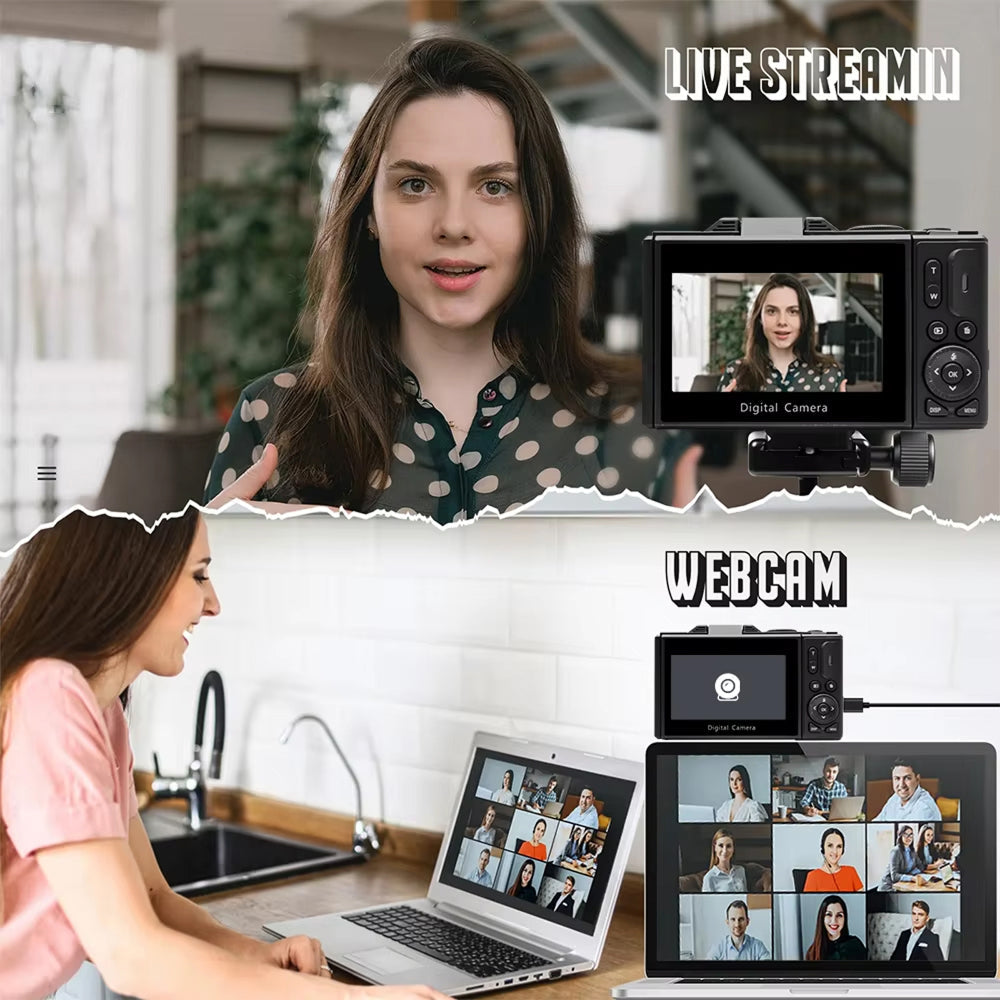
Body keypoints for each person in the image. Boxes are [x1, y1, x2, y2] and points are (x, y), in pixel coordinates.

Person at [204, 36, 701, 524]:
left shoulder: (632, 423)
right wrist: (216, 554)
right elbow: (198, 580)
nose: (454, 225)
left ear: (539, 215)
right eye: (416, 185)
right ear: (369, 212)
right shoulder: (271, 417)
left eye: (495, 187)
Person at [0, 509, 447, 1000]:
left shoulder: (102, 714)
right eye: (199, 575)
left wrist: (255, 956)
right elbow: (130, 955)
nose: (213, 604)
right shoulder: (49, 696)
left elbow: (152, 899)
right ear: (132, 573)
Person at [717, 273, 847, 393]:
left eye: (793, 311)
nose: (782, 322)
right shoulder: (735, 372)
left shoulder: (828, 373)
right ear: (759, 318)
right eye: (772, 311)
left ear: (804, 318)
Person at [873, 759, 942, 822]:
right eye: (897, 778)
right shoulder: (895, 798)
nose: (901, 785)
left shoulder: (924, 809)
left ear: (917, 779)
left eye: (907, 778)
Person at [804, 895, 867, 961]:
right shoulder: (812, 952)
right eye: (829, 914)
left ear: (844, 919)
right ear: (822, 918)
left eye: (839, 915)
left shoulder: (855, 945)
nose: (834, 921)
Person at [803, 828, 863, 893]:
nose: (835, 851)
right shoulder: (813, 876)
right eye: (830, 845)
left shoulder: (851, 871)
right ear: (823, 848)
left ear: (843, 850)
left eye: (839, 846)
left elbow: (863, 898)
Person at [707, 901, 771, 961]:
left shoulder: (758, 946)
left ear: (747, 922)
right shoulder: (718, 947)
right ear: (727, 922)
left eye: (741, 919)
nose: (737, 925)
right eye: (733, 919)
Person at [878, 825, 927, 891]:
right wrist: (912, 878)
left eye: (910, 835)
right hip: (889, 887)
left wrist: (911, 875)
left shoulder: (912, 851)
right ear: (900, 836)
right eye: (905, 835)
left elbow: (920, 866)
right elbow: (894, 876)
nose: (908, 837)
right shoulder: (896, 851)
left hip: (904, 883)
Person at [701, 829, 747, 894]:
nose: (725, 851)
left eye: (728, 846)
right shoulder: (709, 878)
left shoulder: (741, 870)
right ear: (715, 848)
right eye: (721, 846)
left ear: (733, 849)